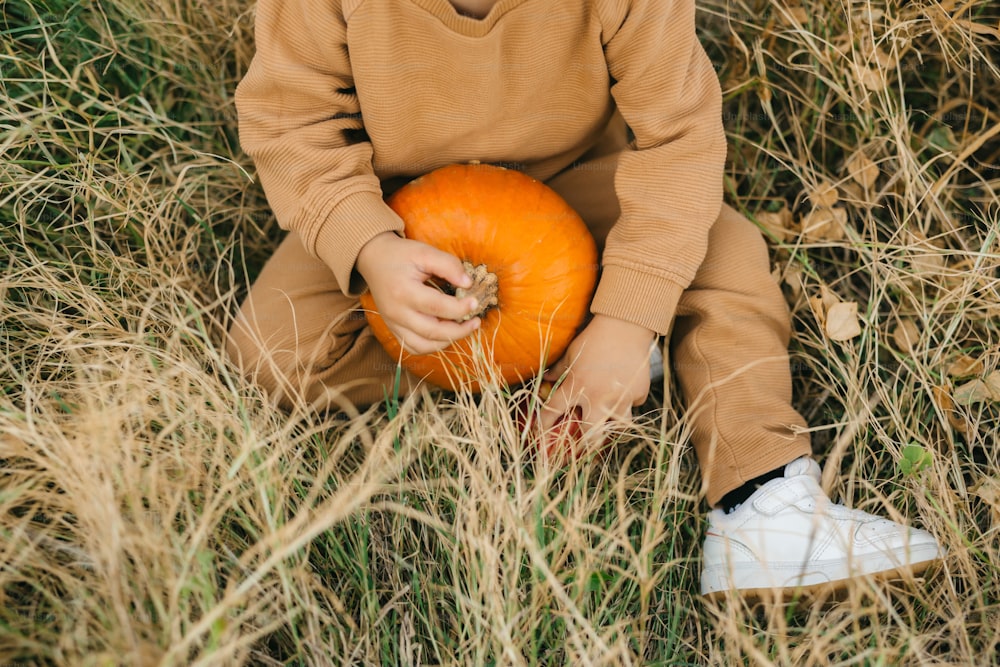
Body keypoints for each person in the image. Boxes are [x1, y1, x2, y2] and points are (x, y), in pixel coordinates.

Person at [227, 0, 944, 597]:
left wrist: (629, 320)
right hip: (401, 213)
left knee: (723, 253)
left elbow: (679, 141)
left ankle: (762, 499)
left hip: (577, 186)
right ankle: (548, 376)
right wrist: (370, 249)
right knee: (276, 346)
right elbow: (293, 123)